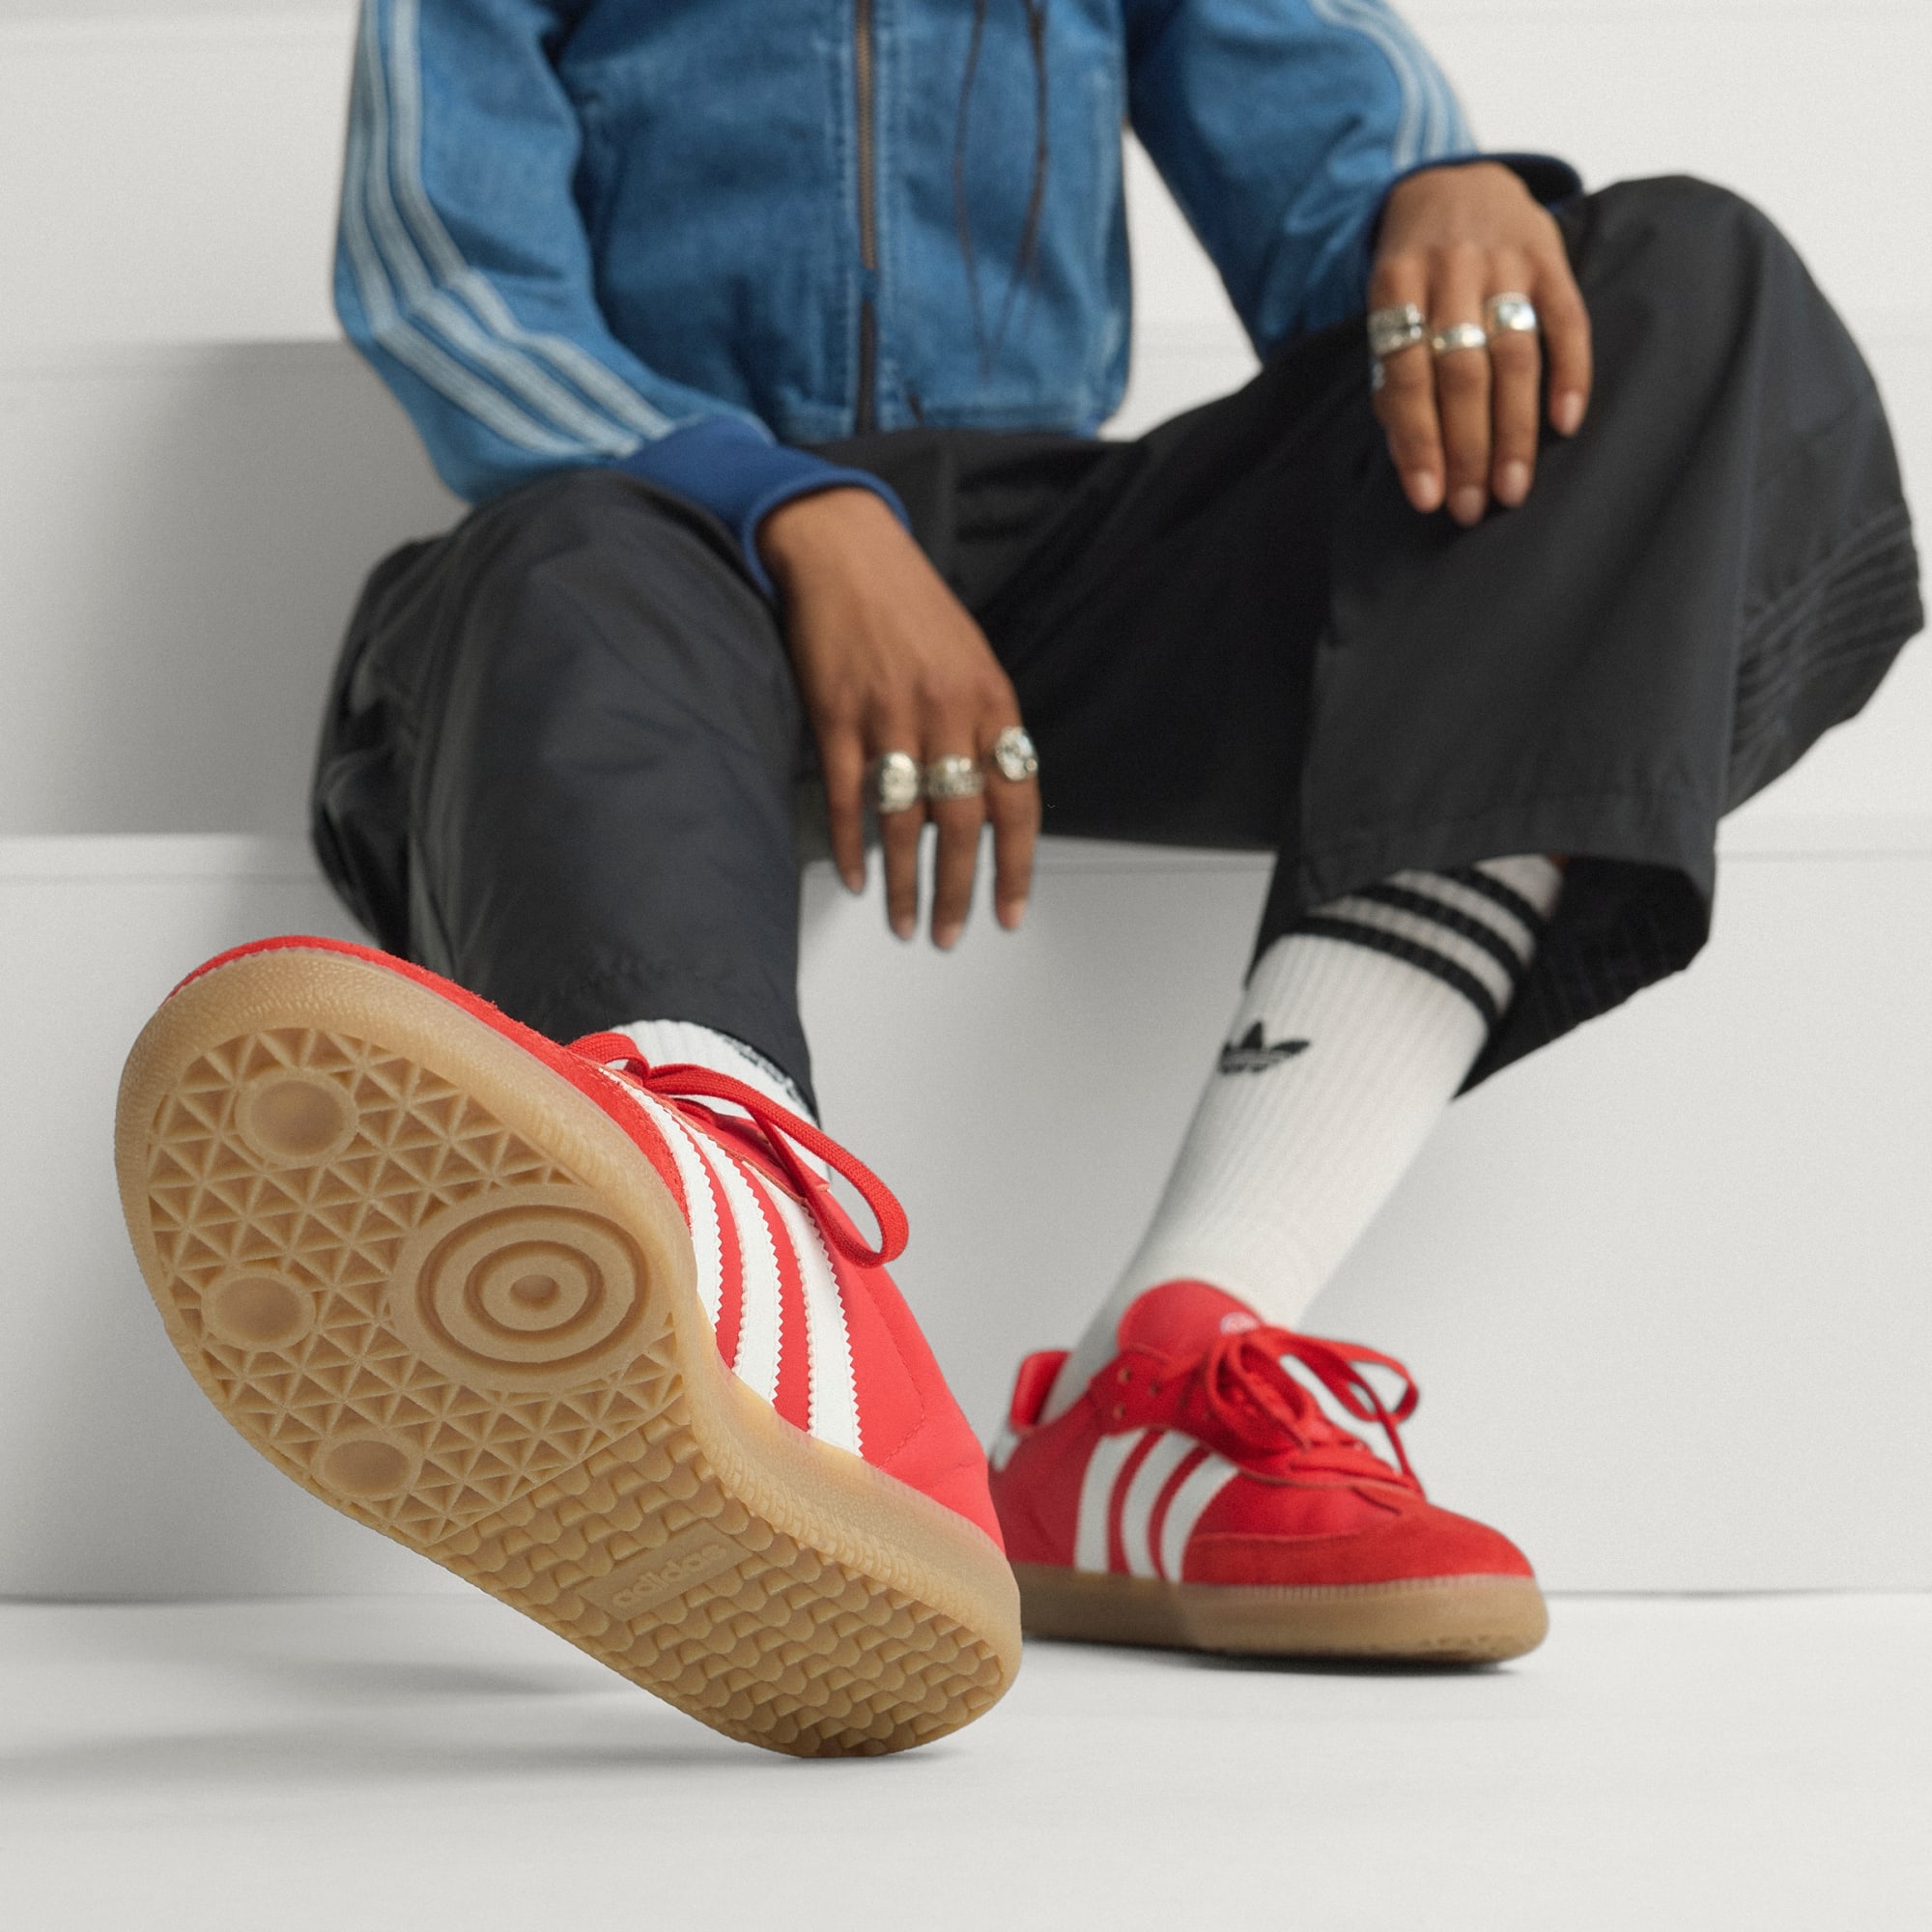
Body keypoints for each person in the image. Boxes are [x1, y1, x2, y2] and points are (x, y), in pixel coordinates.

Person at [116, 0, 1918, 1754]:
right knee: (549, 562)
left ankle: (1172, 1360)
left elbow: (1338, 210)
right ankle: (736, 1270)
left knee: (1670, 277)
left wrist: (1441, 193)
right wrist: (800, 511)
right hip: (654, 541)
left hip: (1050, 579)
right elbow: (454, 291)